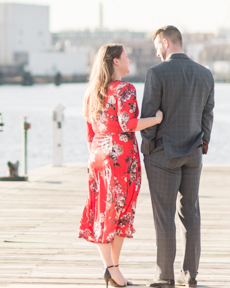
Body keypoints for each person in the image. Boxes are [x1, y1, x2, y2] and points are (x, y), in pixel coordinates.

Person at [79, 44, 163, 287]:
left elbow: (89, 132)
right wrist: (156, 119)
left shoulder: (91, 92)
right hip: (121, 158)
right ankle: (111, 268)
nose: (129, 60)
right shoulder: (124, 89)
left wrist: (96, 157)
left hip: (97, 154)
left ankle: (113, 269)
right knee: (118, 213)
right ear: (115, 61)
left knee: (104, 212)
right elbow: (128, 124)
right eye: (126, 57)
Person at [139, 26, 214, 287]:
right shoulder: (205, 74)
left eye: (157, 45)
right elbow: (208, 112)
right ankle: (191, 275)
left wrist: (147, 148)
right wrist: (203, 143)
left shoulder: (156, 73)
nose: (156, 51)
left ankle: (165, 276)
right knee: (191, 213)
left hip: (164, 154)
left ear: (167, 42)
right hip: (194, 153)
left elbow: (148, 117)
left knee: (164, 216)